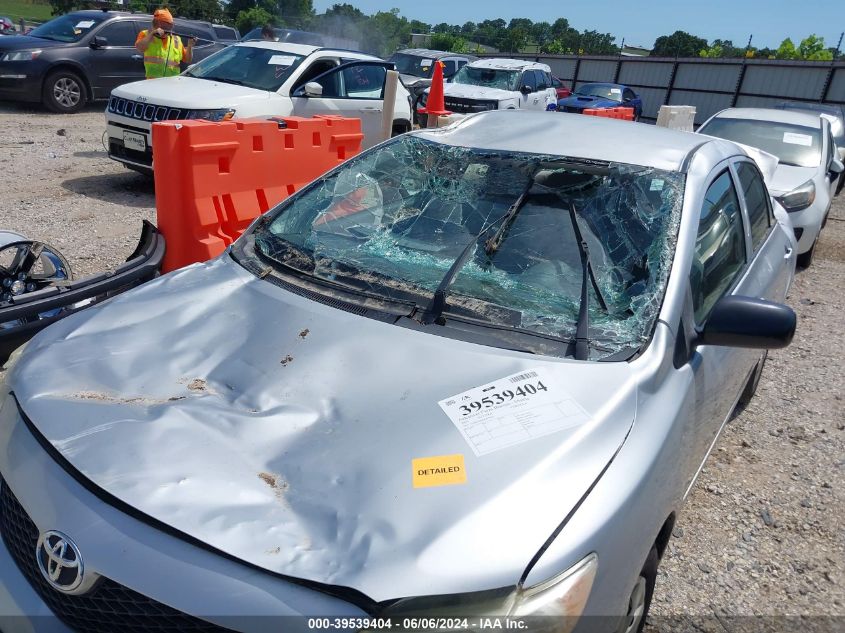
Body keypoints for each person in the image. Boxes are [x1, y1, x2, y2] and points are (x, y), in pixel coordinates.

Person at [135, 8, 195, 79]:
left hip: (172, 82)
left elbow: (187, 59)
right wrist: (152, 34)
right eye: (165, 27)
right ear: (156, 24)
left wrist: (190, 46)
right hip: (153, 82)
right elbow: (140, 48)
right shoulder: (145, 34)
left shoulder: (176, 39)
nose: (168, 29)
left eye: (170, 27)